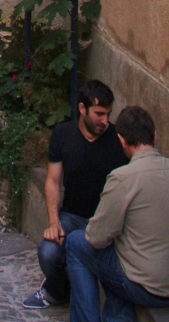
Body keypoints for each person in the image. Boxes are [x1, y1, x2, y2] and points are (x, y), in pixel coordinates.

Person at [24, 80, 128, 309]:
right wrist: (54, 222)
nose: (105, 121)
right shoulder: (63, 134)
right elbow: (52, 181)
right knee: (48, 253)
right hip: (72, 216)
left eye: (108, 114)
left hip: (106, 222)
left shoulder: (118, 139)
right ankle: (57, 291)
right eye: (99, 114)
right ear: (82, 109)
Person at [65, 105, 169, 322]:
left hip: (147, 287)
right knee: (117, 264)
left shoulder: (123, 177)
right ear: (155, 136)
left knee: (76, 242)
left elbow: (96, 237)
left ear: (121, 140)